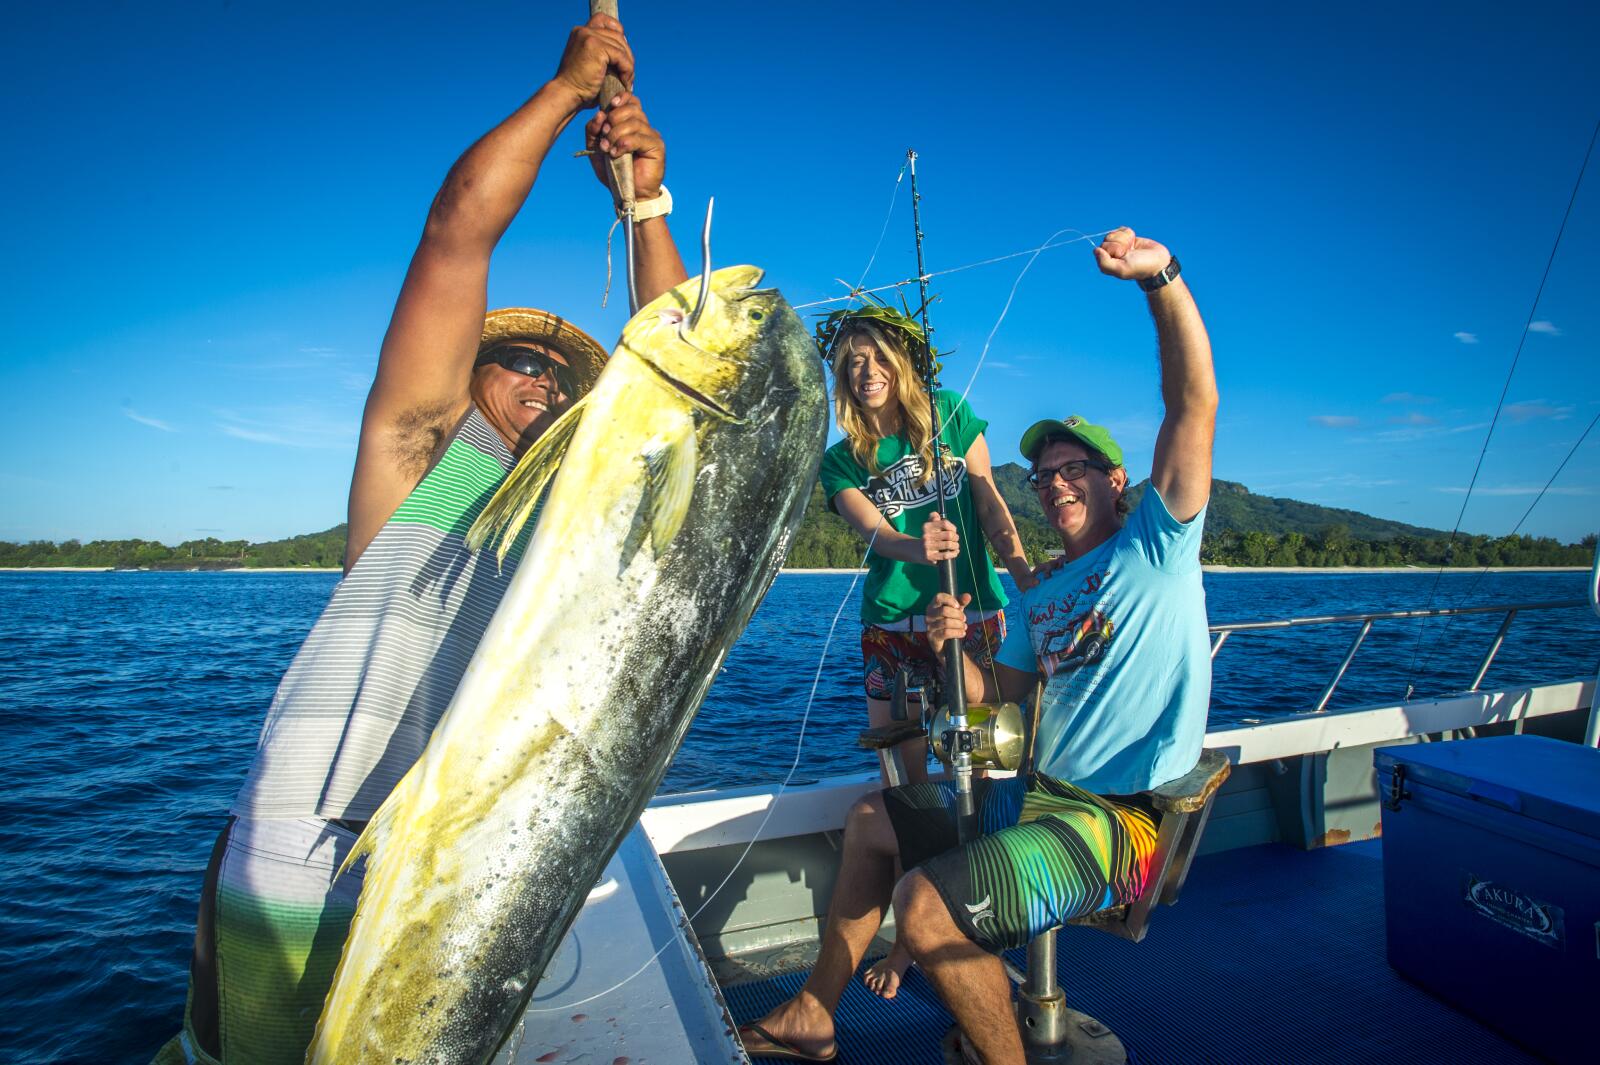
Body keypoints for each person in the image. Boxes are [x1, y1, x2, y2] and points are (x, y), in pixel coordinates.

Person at [152, 15, 687, 1065]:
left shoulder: (577, 523)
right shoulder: (421, 476)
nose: (543, 374)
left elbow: (685, 379)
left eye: (563, 372)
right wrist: (566, 92)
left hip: (470, 876)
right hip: (310, 862)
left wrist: (647, 203)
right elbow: (456, 232)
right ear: (471, 379)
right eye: (518, 359)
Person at [739, 227, 1216, 1064]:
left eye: (1076, 467)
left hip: (1118, 823)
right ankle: (817, 1013)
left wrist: (1160, 279)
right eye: (1044, 473)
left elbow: (1192, 405)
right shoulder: (1039, 599)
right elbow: (994, 691)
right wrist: (949, 637)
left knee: (924, 905)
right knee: (869, 818)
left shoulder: (1157, 544)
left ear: (1118, 482)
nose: (1056, 480)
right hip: (1040, 795)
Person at [815, 307, 1035, 1000]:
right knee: (906, 792)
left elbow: (989, 498)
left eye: (877, 357)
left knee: (979, 773)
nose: (866, 371)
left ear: (902, 363)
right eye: (853, 362)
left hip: (968, 612)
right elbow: (873, 530)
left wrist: (1024, 574)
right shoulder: (841, 458)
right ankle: (911, 941)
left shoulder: (950, 414)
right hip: (891, 627)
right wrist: (916, 546)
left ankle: (959, 926)